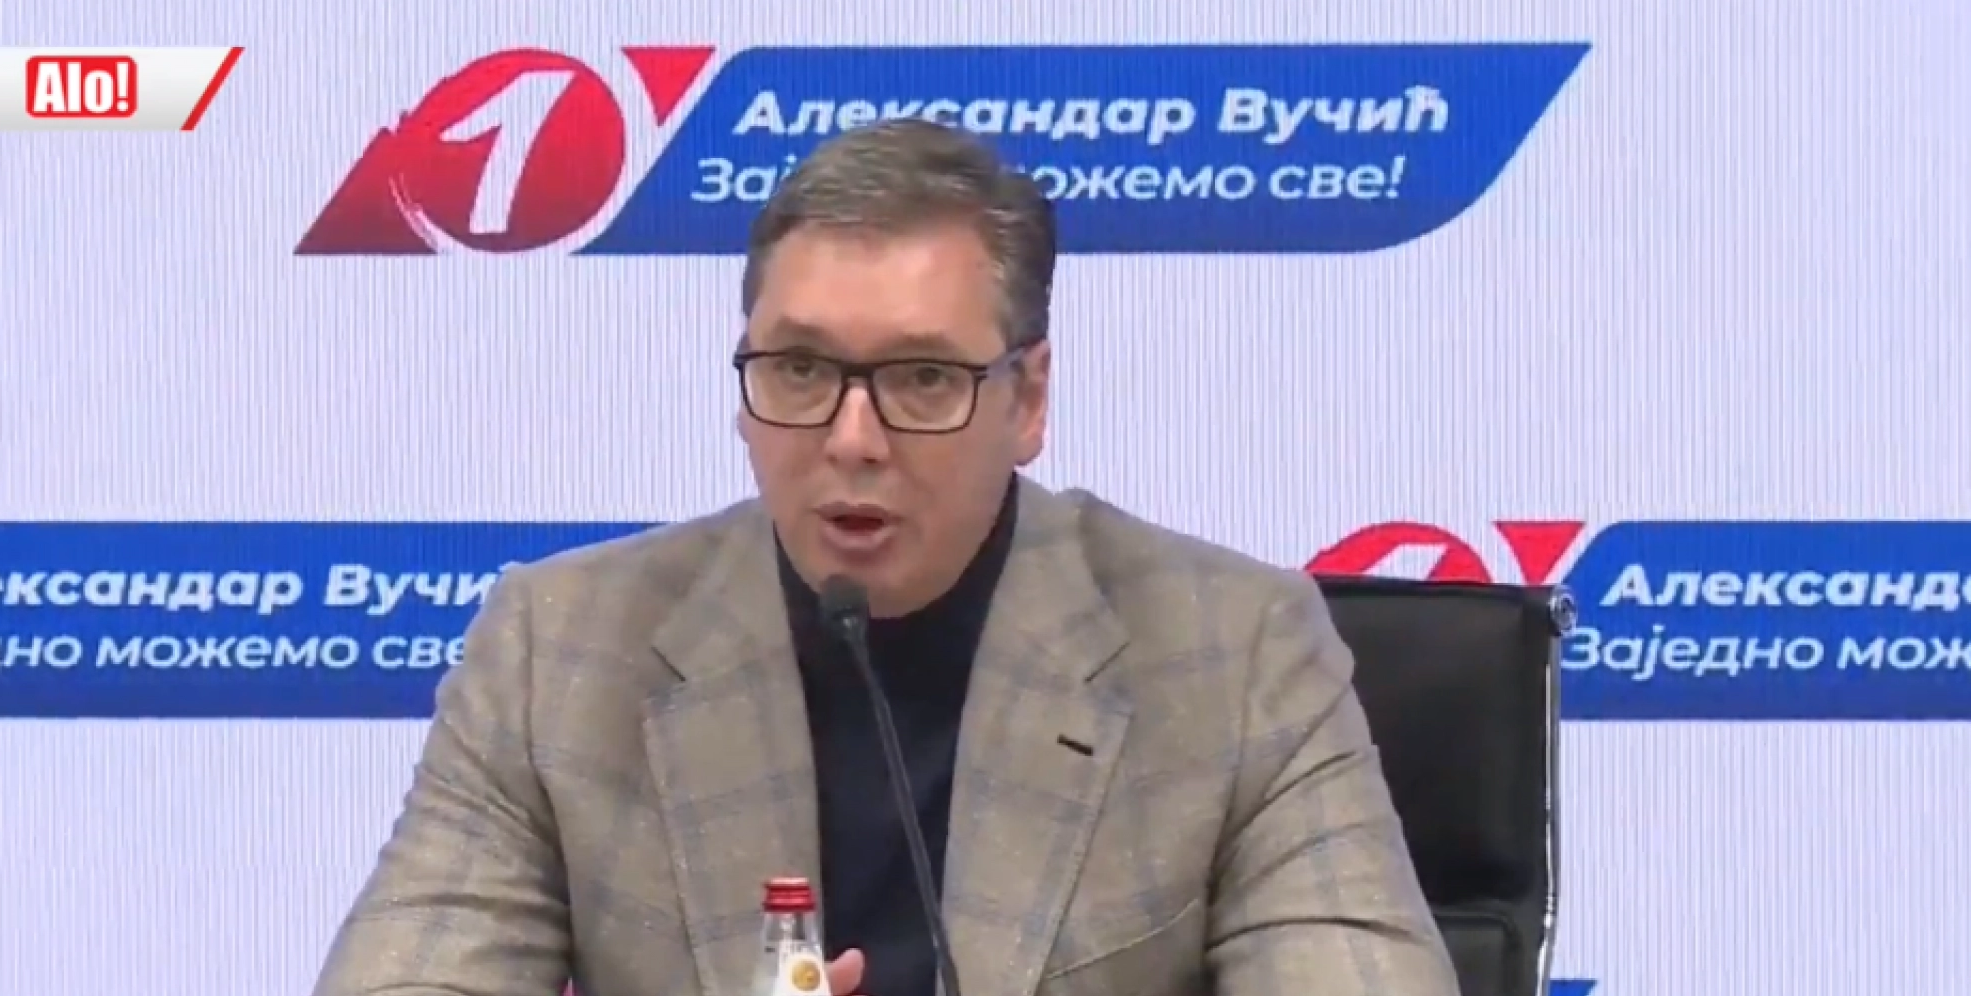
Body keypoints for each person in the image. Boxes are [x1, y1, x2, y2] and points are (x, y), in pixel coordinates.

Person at [313, 118, 1461, 996]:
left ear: (1026, 400)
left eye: (921, 379)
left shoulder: (1234, 653)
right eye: (800, 370)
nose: (851, 439)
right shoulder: (558, 651)